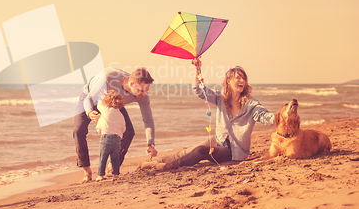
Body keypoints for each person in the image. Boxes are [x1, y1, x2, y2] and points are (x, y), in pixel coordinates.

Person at [143, 60, 273, 169]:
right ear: (228, 81)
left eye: (244, 78)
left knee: (200, 151)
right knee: (188, 150)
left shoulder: (251, 104)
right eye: (238, 77)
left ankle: (169, 166)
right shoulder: (221, 98)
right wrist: (197, 68)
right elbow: (199, 90)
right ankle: (158, 162)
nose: (242, 81)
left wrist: (280, 118)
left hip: (234, 152)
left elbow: (264, 116)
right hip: (218, 140)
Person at [74, 67, 158, 182]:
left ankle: (112, 167)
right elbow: (88, 99)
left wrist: (150, 144)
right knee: (78, 130)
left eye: (146, 91)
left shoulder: (142, 96)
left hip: (111, 99)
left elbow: (148, 120)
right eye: (141, 90)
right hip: (90, 97)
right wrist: (89, 112)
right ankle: (87, 171)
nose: (143, 94)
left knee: (129, 132)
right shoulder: (109, 77)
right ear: (132, 83)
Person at [95, 90, 126, 181]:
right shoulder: (120, 115)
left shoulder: (105, 109)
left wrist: (101, 95)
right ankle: (116, 175)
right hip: (117, 139)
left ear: (106, 101)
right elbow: (123, 129)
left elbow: (99, 104)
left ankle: (100, 175)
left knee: (103, 157)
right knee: (115, 158)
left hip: (106, 138)